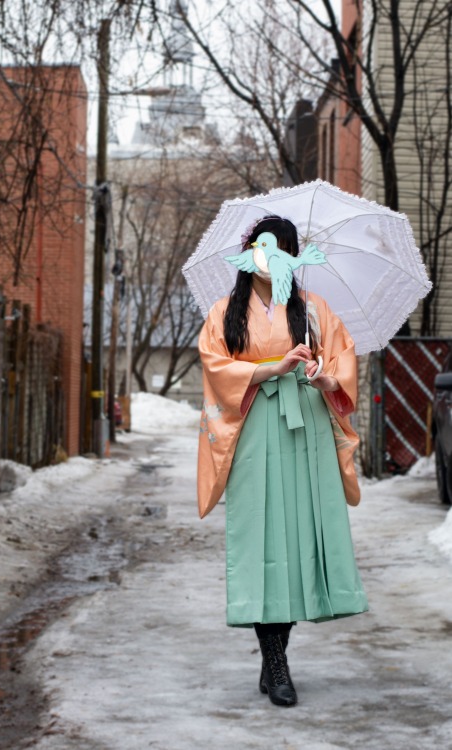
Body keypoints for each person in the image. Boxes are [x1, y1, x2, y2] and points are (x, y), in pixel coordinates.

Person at [197, 215, 368, 707]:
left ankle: (275, 661)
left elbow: (343, 359)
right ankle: (276, 663)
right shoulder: (224, 312)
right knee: (262, 543)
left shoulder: (314, 310)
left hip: (307, 430)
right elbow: (215, 366)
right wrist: (273, 367)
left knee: (294, 545)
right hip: (254, 427)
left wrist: (323, 375)